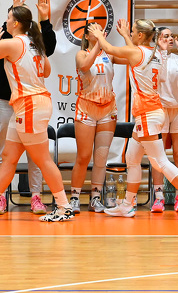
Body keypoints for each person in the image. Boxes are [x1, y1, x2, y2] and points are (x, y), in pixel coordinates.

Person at [0, 4, 73, 222]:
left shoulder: (13, 43)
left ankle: (64, 207)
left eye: (8, 18)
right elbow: (47, 71)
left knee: (43, 160)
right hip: (31, 104)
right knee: (9, 157)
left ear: (15, 23)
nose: (5, 22)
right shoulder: (35, 43)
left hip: (30, 105)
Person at [87, 19, 178, 221]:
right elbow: (134, 53)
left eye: (133, 32)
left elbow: (109, 48)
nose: (131, 34)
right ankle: (127, 205)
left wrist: (98, 34)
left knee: (160, 161)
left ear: (140, 35)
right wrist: (126, 35)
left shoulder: (138, 52)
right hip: (151, 112)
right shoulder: (155, 53)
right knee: (132, 159)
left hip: (148, 114)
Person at [0, 0, 56, 216]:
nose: (10, 21)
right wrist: (13, 8)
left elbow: (49, 47)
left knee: (35, 154)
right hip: (6, 101)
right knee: (3, 152)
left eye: (13, 17)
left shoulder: (33, 43)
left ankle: (36, 196)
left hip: (29, 103)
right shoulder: (10, 41)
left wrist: (45, 20)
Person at [70, 22, 121, 213]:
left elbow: (132, 57)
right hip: (86, 108)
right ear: (86, 36)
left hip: (107, 110)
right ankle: (74, 198)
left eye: (101, 29)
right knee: (83, 156)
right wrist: (99, 42)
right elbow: (85, 66)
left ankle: (96, 197)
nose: (99, 31)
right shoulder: (81, 54)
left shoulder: (110, 54)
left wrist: (125, 36)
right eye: (94, 29)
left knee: (101, 157)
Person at [151, 27, 178, 213]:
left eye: (171, 36)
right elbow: (162, 77)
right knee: (159, 156)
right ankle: (158, 198)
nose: (170, 39)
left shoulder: (177, 57)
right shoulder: (153, 58)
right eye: (165, 36)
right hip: (161, 109)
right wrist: (163, 53)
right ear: (157, 39)